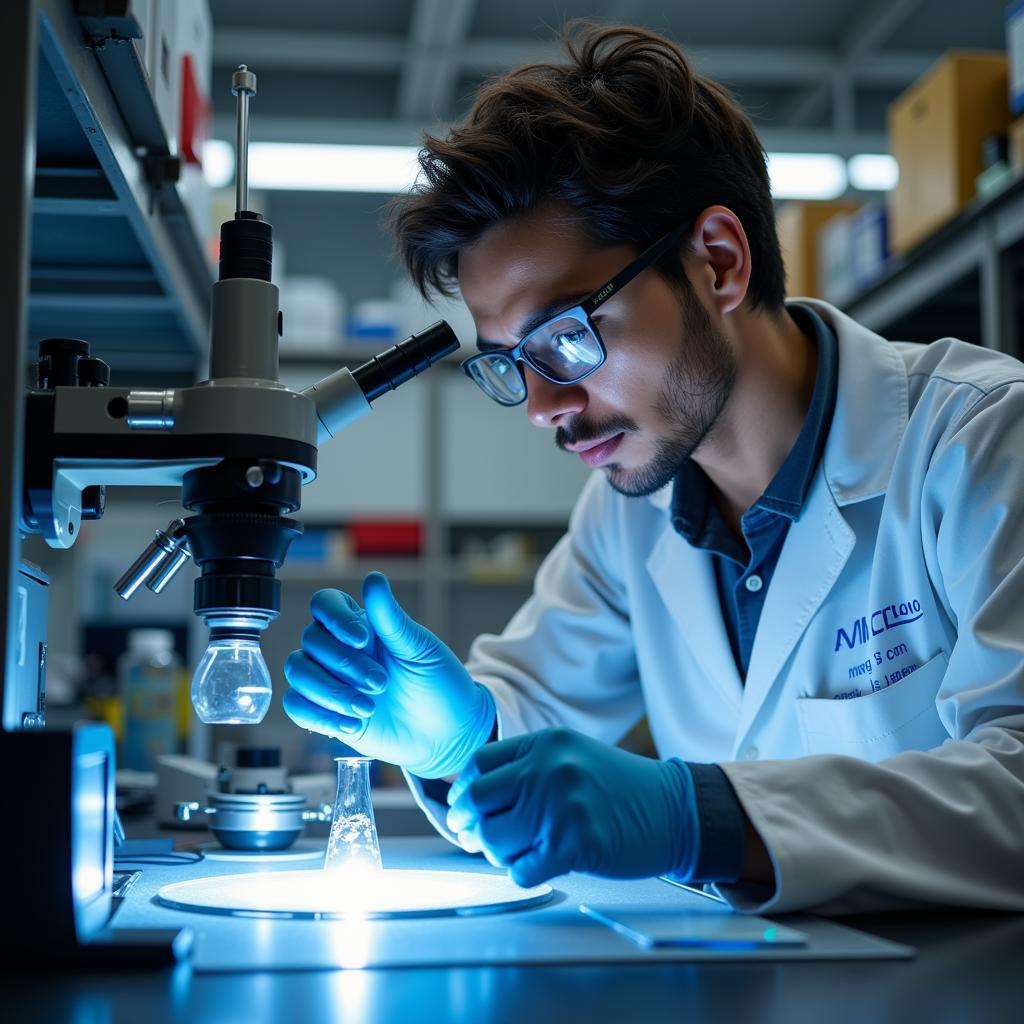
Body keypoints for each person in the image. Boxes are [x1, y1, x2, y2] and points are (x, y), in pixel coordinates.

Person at [282, 23, 1024, 914]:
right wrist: (460, 742)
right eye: (509, 363)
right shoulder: (627, 512)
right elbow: (534, 714)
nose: (544, 407)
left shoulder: (980, 441)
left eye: (565, 337)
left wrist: (697, 819)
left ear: (718, 262)